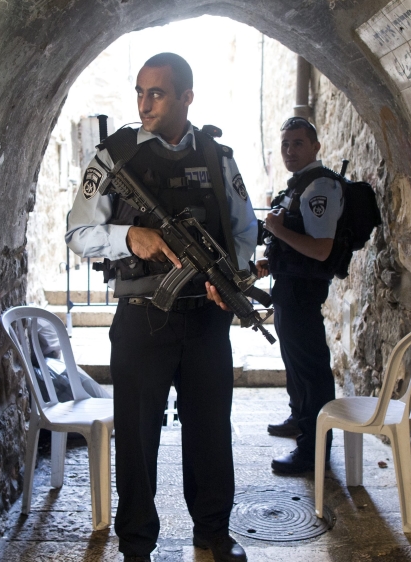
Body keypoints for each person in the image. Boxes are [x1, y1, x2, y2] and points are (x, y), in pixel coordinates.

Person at [65, 53, 256, 562]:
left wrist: (230, 279)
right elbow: (78, 233)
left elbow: (244, 229)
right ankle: (135, 544)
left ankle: (213, 532)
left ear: (186, 98)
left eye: (158, 93)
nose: (144, 104)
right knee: (136, 436)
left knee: (212, 432)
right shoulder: (113, 157)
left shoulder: (218, 157)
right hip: (142, 320)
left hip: (206, 320)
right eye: (140, 92)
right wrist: (129, 236)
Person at [257, 117, 343, 474]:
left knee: (311, 370)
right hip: (289, 286)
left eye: (298, 143)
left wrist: (276, 229)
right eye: (286, 144)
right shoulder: (301, 186)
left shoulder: (319, 186)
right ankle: (299, 419)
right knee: (294, 362)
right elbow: (297, 239)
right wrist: (273, 255)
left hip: (303, 291)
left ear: (315, 147)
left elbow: (321, 249)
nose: (290, 151)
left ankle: (312, 451)